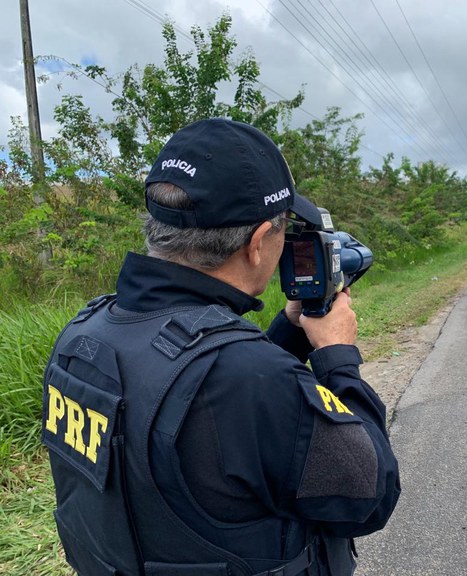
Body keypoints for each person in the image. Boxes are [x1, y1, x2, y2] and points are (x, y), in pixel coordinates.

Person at [42, 118, 401, 576]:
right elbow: (370, 494)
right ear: (256, 244)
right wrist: (337, 357)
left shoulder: (85, 332)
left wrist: (289, 331)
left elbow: (203, 421)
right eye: (283, 229)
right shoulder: (247, 379)